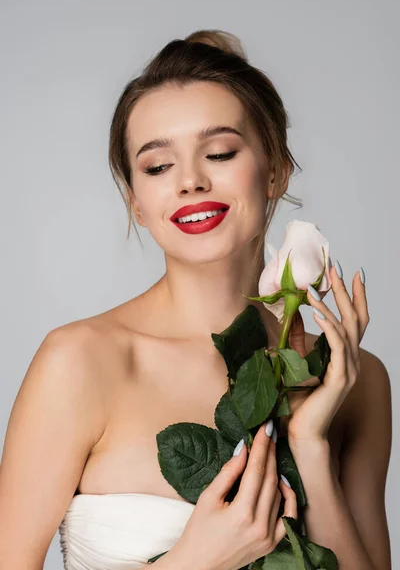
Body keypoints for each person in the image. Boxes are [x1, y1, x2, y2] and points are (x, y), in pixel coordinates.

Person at [0, 29, 391, 570]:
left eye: (220, 152)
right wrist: (196, 560)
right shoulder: (80, 362)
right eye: (157, 166)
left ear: (275, 168)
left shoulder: (357, 380)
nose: (190, 181)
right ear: (137, 202)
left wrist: (308, 443)